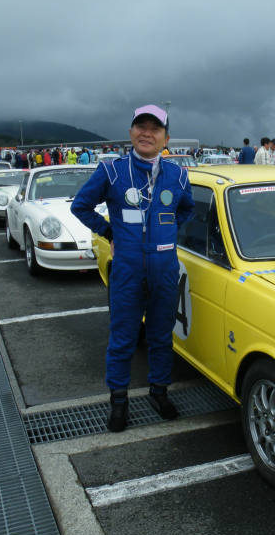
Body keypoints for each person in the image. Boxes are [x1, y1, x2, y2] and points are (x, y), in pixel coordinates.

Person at [71, 104, 194, 432]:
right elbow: (80, 206)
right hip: (126, 269)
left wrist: (163, 234)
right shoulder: (111, 171)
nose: (147, 133)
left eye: (155, 129)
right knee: (123, 338)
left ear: (166, 138)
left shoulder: (179, 175)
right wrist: (110, 231)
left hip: (165, 270)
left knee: (160, 337)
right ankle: (119, 401)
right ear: (131, 133)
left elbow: (186, 210)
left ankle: (159, 391)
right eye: (141, 126)